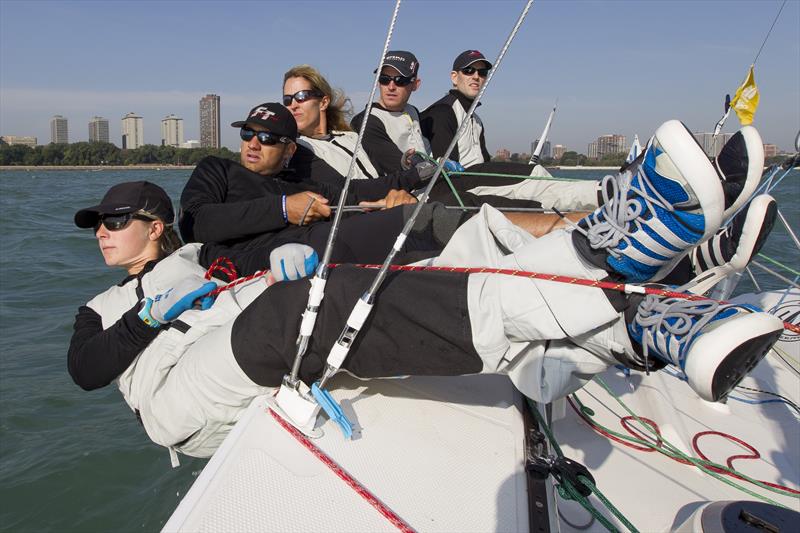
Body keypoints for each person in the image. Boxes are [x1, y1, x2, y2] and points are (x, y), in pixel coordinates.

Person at [69, 121, 783, 460]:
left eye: (116, 221)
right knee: (299, 311)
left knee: (382, 252)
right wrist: (144, 317)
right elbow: (86, 370)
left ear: (155, 227)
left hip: (237, 335)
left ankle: (638, 307)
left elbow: (249, 247)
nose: (103, 232)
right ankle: (605, 276)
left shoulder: (198, 254)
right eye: (98, 224)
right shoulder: (100, 306)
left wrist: (285, 249)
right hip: (178, 399)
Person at [180, 101, 590, 275]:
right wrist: (285, 209)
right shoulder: (217, 170)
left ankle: (579, 226)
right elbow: (197, 224)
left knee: (423, 213)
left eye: (267, 138)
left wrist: (407, 183)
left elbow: (355, 192)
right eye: (249, 133)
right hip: (276, 257)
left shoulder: (300, 182)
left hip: (322, 243)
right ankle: (575, 231)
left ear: (289, 151)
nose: (254, 143)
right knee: (421, 220)